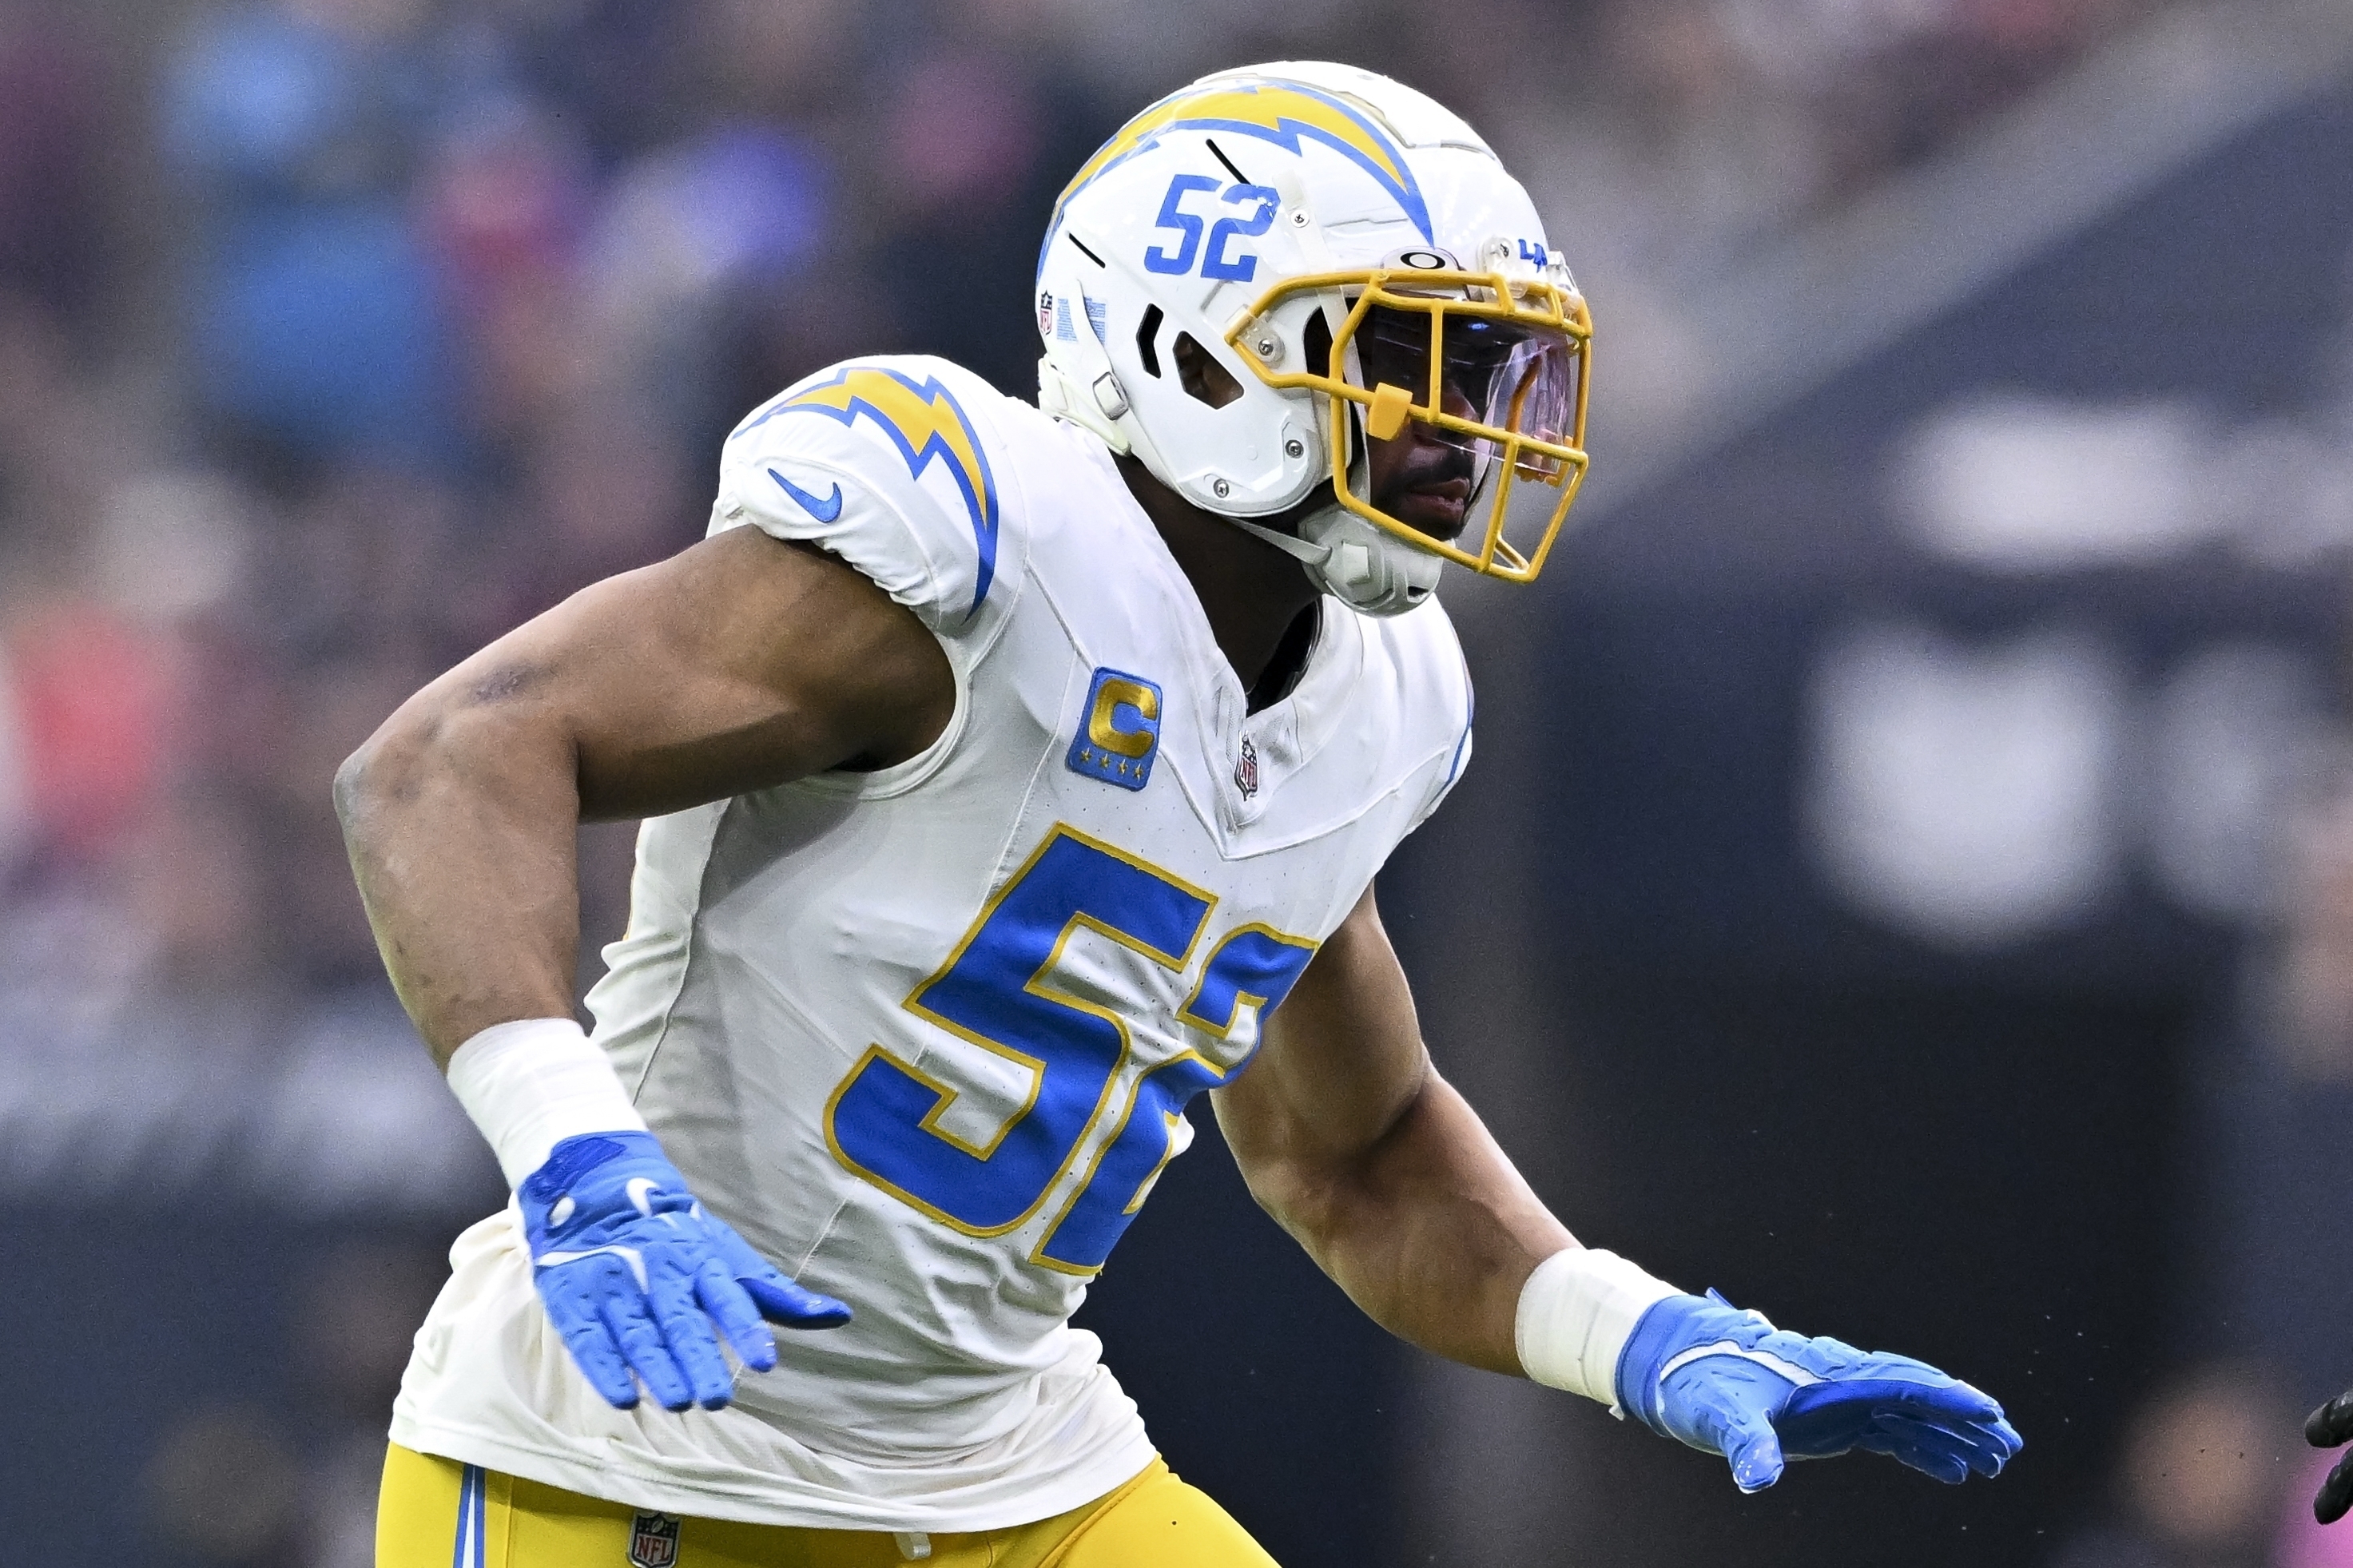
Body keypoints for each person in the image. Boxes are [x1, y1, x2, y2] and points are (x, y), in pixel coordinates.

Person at [340, 61, 2021, 1568]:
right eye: (1405, 360)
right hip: (640, 1453)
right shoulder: (979, 552)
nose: (1462, 434)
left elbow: (1354, 1152)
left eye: (1489, 372)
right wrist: (577, 1153)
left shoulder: (1384, 692)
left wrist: (1634, 1331)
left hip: (1008, 1472)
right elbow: (442, 763)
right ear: (1193, 351)